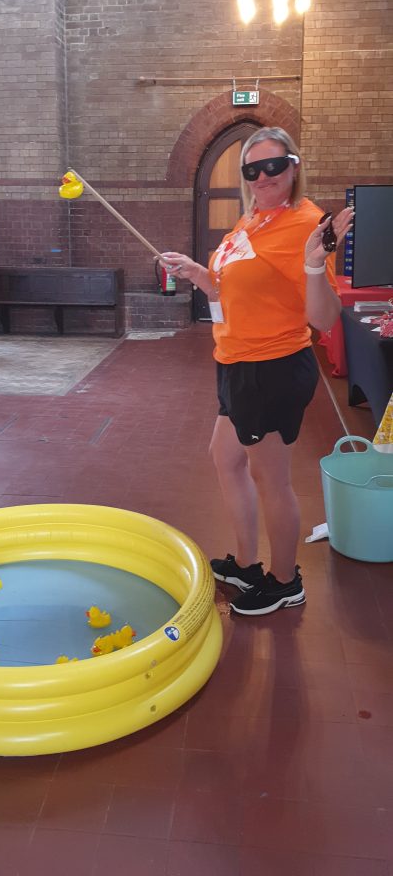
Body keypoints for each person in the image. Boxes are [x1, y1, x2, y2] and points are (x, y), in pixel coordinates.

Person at [160, 126, 354, 616]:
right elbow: (228, 287)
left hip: (272, 366)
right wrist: (198, 273)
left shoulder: (304, 223)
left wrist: (315, 265)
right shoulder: (251, 220)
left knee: (271, 478)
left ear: (294, 165)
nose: (264, 175)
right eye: (253, 168)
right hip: (235, 362)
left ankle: (286, 581)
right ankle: (247, 564)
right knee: (225, 458)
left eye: (274, 164)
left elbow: (325, 318)